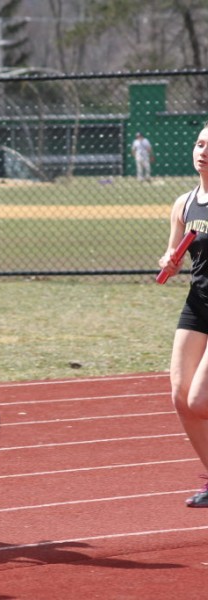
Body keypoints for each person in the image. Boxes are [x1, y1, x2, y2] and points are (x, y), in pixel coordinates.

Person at [157, 122, 208, 509]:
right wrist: (169, 262)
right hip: (198, 304)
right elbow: (171, 254)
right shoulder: (184, 202)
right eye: (199, 143)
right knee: (179, 396)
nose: (202, 151)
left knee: (201, 399)